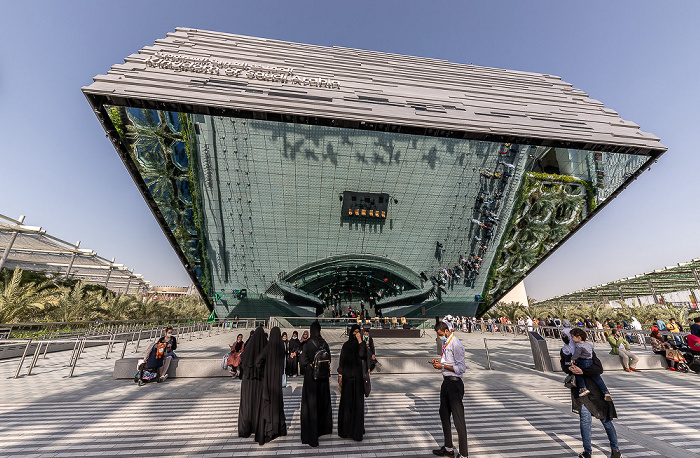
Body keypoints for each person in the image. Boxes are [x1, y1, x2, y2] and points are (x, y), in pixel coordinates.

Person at [560, 329, 621, 458]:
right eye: (564, 335)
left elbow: (598, 368)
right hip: (581, 392)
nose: (564, 337)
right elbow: (564, 367)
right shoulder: (564, 351)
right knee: (585, 421)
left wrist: (582, 371)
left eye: (566, 335)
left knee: (605, 420)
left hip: (595, 390)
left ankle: (615, 450)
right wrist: (569, 368)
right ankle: (587, 452)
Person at [431, 320, 468, 458]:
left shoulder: (456, 344)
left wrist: (443, 366)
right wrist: (440, 363)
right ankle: (448, 448)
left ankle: (464, 454)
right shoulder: (446, 343)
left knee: (458, 420)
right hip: (446, 382)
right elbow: (447, 362)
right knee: (444, 415)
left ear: (446, 331)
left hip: (455, 384)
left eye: (441, 334)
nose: (440, 337)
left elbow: (461, 368)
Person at [300, 321, 332, 447]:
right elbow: (329, 359)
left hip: (311, 379)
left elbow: (302, 362)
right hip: (323, 379)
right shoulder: (324, 343)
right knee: (322, 402)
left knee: (311, 405)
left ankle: (312, 434)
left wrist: (310, 365)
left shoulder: (308, 344)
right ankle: (323, 429)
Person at [255, 327, 287, 445]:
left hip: (268, 381)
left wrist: (262, 374)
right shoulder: (281, 348)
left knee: (269, 405)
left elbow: (258, 361)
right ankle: (279, 428)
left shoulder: (268, 348)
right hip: (277, 381)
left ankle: (270, 430)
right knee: (277, 404)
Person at [337, 324, 367, 442]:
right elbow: (342, 360)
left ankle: (356, 431)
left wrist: (360, 341)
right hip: (348, 379)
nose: (356, 334)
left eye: (358, 332)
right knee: (347, 405)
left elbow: (362, 355)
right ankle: (346, 430)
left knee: (357, 406)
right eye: (354, 332)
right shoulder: (346, 345)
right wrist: (340, 375)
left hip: (358, 380)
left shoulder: (362, 345)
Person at [238, 327, 267, 438]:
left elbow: (242, 364)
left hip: (247, 382)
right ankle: (257, 426)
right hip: (259, 382)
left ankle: (245, 428)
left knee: (247, 404)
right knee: (257, 404)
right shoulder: (264, 350)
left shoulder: (247, 351)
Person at [569, 328, 611, 400]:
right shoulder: (588, 345)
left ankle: (583, 388)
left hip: (583, 362)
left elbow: (577, 354)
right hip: (590, 361)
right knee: (596, 378)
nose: (571, 339)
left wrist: (573, 359)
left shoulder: (579, 345)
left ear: (579, 337)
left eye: (572, 337)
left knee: (579, 374)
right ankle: (606, 392)